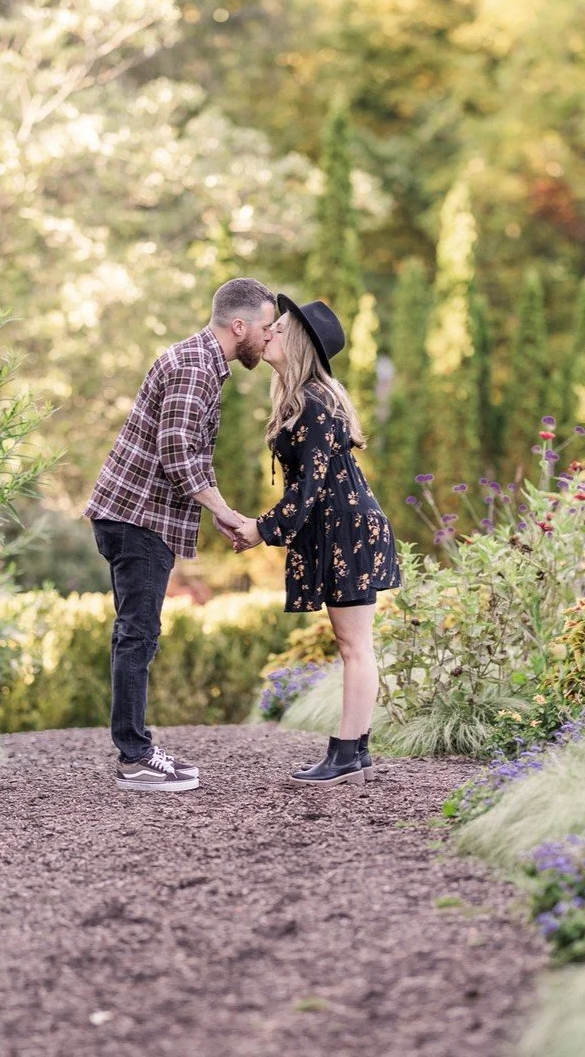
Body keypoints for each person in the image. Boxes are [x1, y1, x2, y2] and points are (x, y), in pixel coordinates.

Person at [85, 278, 276, 792]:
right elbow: (177, 456)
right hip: (138, 518)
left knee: (135, 633)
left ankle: (137, 746)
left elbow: (188, 451)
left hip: (135, 514)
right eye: (265, 326)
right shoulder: (195, 366)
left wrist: (213, 508)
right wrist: (229, 512)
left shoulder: (200, 361)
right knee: (137, 635)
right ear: (239, 326)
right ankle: (133, 758)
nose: (269, 336)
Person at [232, 295, 401, 786]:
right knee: (356, 644)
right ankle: (357, 749)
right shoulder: (306, 399)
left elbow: (309, 488)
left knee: (354, 646)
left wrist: (260, 529)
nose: (268, 334)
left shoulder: (311, 402)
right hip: (343, 527)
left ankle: (347, 754)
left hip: (346, 530)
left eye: (279, 329)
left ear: (300, 343)